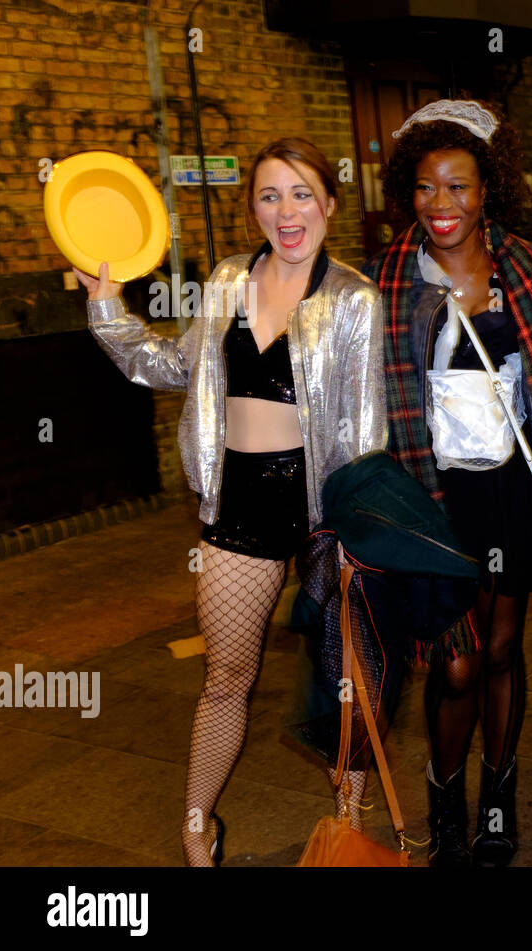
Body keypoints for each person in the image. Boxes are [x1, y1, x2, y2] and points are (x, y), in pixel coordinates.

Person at [78, 137, 387, 866]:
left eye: (302, 193)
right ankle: (196, 826)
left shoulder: (352, 298)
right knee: (225, 679)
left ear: (330, 204)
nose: (287, 211)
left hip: (320, 514)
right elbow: (169, 366)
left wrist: (353, 534)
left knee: (344, 681)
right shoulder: (224, 281)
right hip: (237, 511)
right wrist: (106, 311)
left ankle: (345, 823)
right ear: (253, 207)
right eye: (270, 195)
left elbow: (364, 428)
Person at [365, 99, 532, 868]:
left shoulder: (526, 265)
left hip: (514, 487)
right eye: (426, 188)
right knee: (452, 659)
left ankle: (497, 797)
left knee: (499, 649)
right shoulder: (387, 281)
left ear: (487, 188)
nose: (442, 205)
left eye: (458, 187)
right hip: (434, 495)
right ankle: (443, 796)